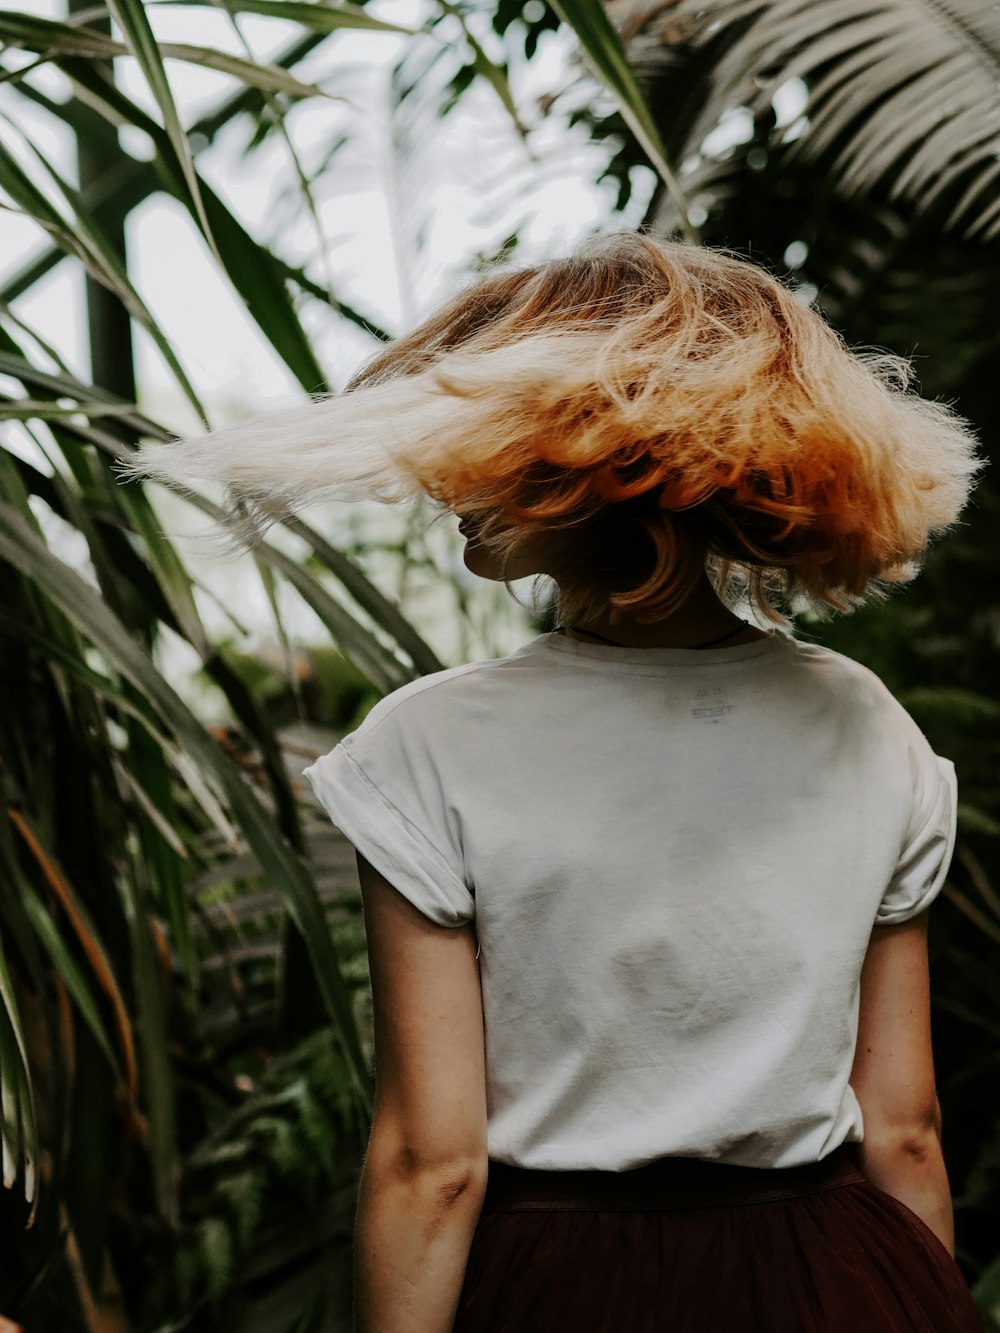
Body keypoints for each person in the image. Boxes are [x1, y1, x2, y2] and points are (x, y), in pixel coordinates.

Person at [120, 233, 986, 1332]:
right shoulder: (867, 723)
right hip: (838, 1278)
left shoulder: (431, 743)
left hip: (567, 1289)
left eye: (481, 427)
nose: (443, 470)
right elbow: (903, 1126)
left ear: (584, 461)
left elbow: (431, 1162)